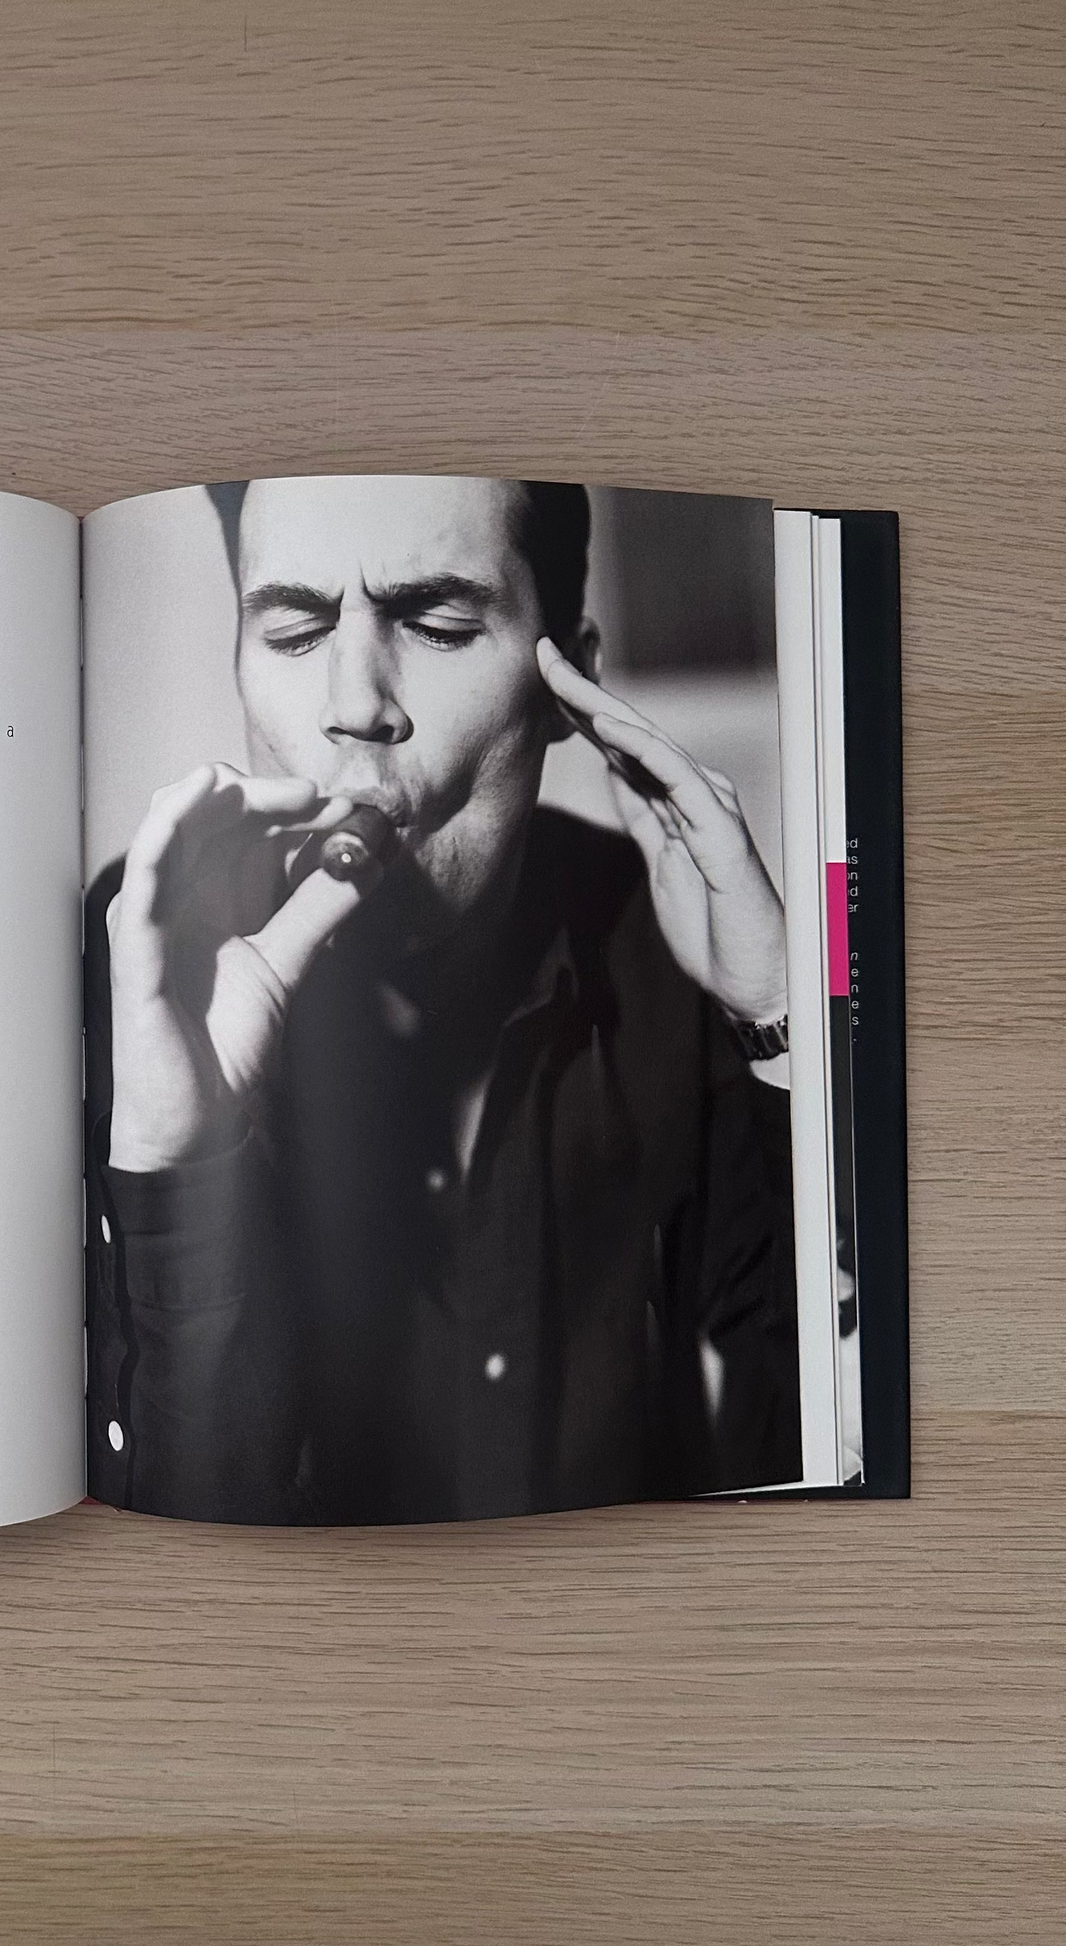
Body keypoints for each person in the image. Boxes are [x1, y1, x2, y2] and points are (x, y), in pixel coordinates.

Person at [84, 475, 800, 1524]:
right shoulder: (134, 965)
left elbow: (827, 1463)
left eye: (438, 626)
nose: (354, 705)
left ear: (567, 688)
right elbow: (147, 1540)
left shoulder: (669, 947)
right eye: (293, 633)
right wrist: (177, 1166)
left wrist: (780, 1015)